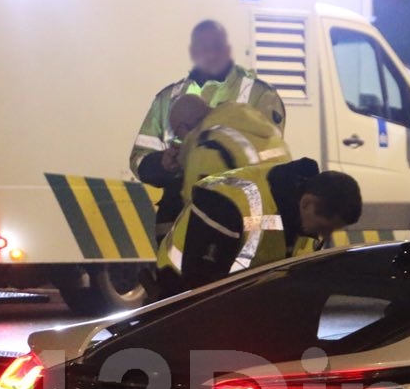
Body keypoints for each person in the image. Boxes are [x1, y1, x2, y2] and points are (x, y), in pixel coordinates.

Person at [129, 20, 287, 240]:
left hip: (243, 213)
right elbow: (139, 159)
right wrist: (164, 163)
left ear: (228, 50)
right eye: (204, 48)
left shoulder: (260, 95)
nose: (210, 54)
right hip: (181, 217)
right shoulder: (167, 98)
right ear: (193, 52)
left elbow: (272, 158)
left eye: (217, 47)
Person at [156, 160, 363, 292]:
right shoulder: (229, 203)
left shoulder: (301, 216)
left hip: (243, 301)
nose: (324, 236)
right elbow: (201, 284)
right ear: (306, 202)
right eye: (324, 227)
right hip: (178, 293)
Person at [168, 94, 291, 202]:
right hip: (284, 216)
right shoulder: (256, 125)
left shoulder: (207, 147)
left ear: (183, 127)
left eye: (178, 135)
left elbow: (196, 206)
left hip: (249, 223)